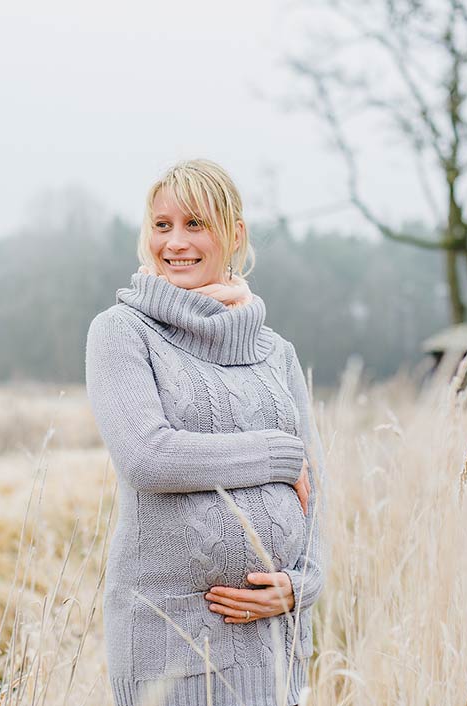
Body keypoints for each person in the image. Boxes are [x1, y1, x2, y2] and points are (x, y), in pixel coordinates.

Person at [84, 159, 327, 706]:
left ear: (234, 234)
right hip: (170, 646)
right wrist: (278, 456)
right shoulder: (122, 333)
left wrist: (300, 587)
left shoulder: (277, 352)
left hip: (274, 645)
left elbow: (317, 491)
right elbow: (148, 457)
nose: (176, 242)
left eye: (195, 224)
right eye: (162, 225)